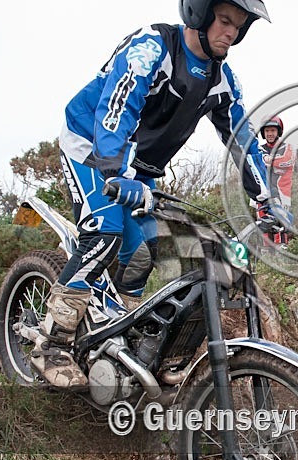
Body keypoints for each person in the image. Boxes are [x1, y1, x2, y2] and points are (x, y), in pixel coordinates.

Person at [32, 0, 274, 388]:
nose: (231, 32)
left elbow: (241, 137)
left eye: (238, 26)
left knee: (145, 251)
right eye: (224, 21)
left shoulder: (221, 78)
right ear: (199, 13)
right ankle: (52, 341)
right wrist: (115, 171)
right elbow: (117, 108)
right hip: (92, 146)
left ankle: (125, 342)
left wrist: (266, 199)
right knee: (104, 231)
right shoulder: (151, 47)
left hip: (139, 168)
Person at [259, 116, 294, 245]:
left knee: (281, 224)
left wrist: (269, 160)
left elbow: (287, 161)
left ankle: (283, 251)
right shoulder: (259, 149)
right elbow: (253, 163)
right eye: (267, 131)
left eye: (273, 130)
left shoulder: (286, 147)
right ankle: (266, 255)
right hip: (262, 194)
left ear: (278, 131)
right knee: (264, 226)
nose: (270, 133)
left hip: (281, 194)